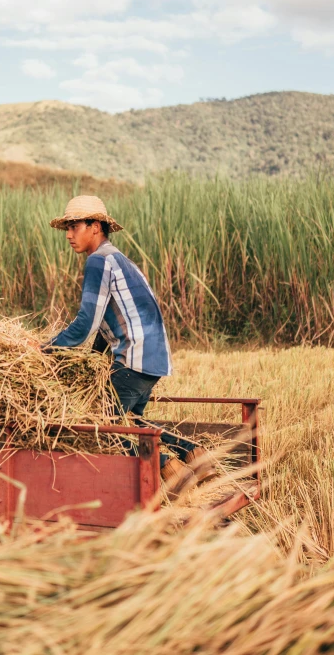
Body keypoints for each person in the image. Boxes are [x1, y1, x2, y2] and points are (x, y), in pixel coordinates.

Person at [43, 194, 204, 497]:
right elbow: (108, 323)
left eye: (74, 226)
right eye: (67, 227)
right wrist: (92, 365)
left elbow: (85, 325)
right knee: (134, 423)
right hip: (154, 358)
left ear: (95, 226)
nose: (68, 234)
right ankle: (195, 454)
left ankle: (170, 469)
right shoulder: (120, 260)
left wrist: (44, 351)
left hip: (132, 358)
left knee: (102, 429)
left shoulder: (97, 262)